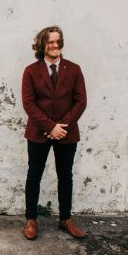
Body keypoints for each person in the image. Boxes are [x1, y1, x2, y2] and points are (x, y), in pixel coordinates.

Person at [21, 26, 87, 240]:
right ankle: (31, 219)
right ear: (42, 45)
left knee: (65, 176)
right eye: (50, 41)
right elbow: (29, 104)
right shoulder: (31, 71)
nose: (55, 45)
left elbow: (81, 101)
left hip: (67, 133)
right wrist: (50, 127)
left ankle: (65, 218)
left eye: (58, 41)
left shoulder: (74, 69)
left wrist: (62, 127)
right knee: (34, 176)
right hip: (39, 132)